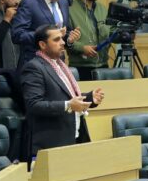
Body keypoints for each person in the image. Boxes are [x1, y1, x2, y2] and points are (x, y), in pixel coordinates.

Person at [21, 25, 104, 156]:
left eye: (62, 38)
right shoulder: (34, 67)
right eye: (56, 39)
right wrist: (68, 105)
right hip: (53, 143)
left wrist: (89, 98)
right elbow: (34, 105)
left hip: (74, 137)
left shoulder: (60, 65)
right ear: (42, 45)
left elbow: (66, 96)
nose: (63, 42)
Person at [11, 0, 80, 67]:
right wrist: (46, 35)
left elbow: (64, 31)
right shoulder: (29, 3)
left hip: (58, 63)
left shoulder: (63, 3)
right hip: (35, 63)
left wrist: (69, 39)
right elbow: (17, 34)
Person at [67, 0, 111, 81]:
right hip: (81, 67)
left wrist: (125, 34)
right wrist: (82, 48)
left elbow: (110, 32)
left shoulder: (102, 9)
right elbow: (65, 39)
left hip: (103, 65)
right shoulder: (70, 10)